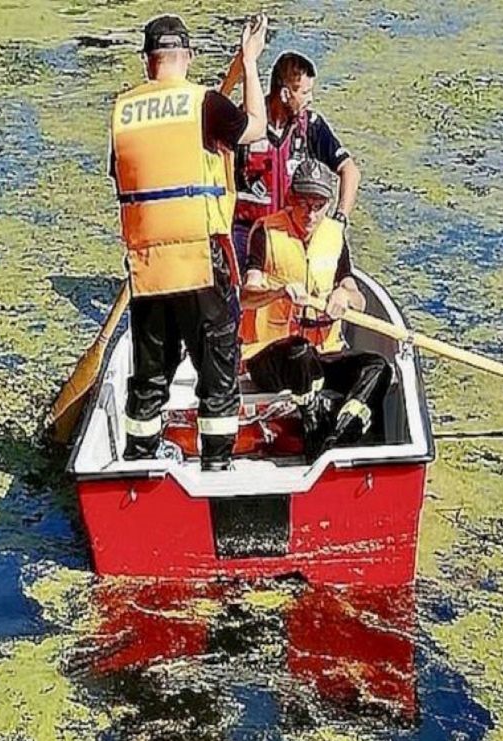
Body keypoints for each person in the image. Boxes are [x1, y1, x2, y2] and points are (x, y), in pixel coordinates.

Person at [110, 13, 269, 471]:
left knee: (151, 378)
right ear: (188, 57)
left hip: (148, 266)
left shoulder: (123, 113)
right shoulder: (205, 104)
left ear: (147, 61)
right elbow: (254, 127)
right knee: (217, 375)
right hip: (201, 259)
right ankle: (216, 465)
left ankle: (139, 463)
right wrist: (252, 62)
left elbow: (126, 178)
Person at [239, 160, 390, 459]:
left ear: (328, 204)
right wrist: (278, 291)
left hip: (324, 354)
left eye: (319, 205)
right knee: (299, 350)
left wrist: (343, 296)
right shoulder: (266, 232)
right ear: (291, 198)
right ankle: (313, 425)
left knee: (378, 367)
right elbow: (246, 295)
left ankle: (340, 433)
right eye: (304, 203)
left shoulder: (334, 236)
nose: (310, 213)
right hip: (270, 356)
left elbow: (356, 297)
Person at [232, 50, 361, 271]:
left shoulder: (311, 126)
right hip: (247, 234)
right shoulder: (244, 123)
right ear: (284, 94)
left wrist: (340, 219)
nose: (310, 99)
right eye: (305, 92)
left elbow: (350, 170)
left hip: (291, 233)